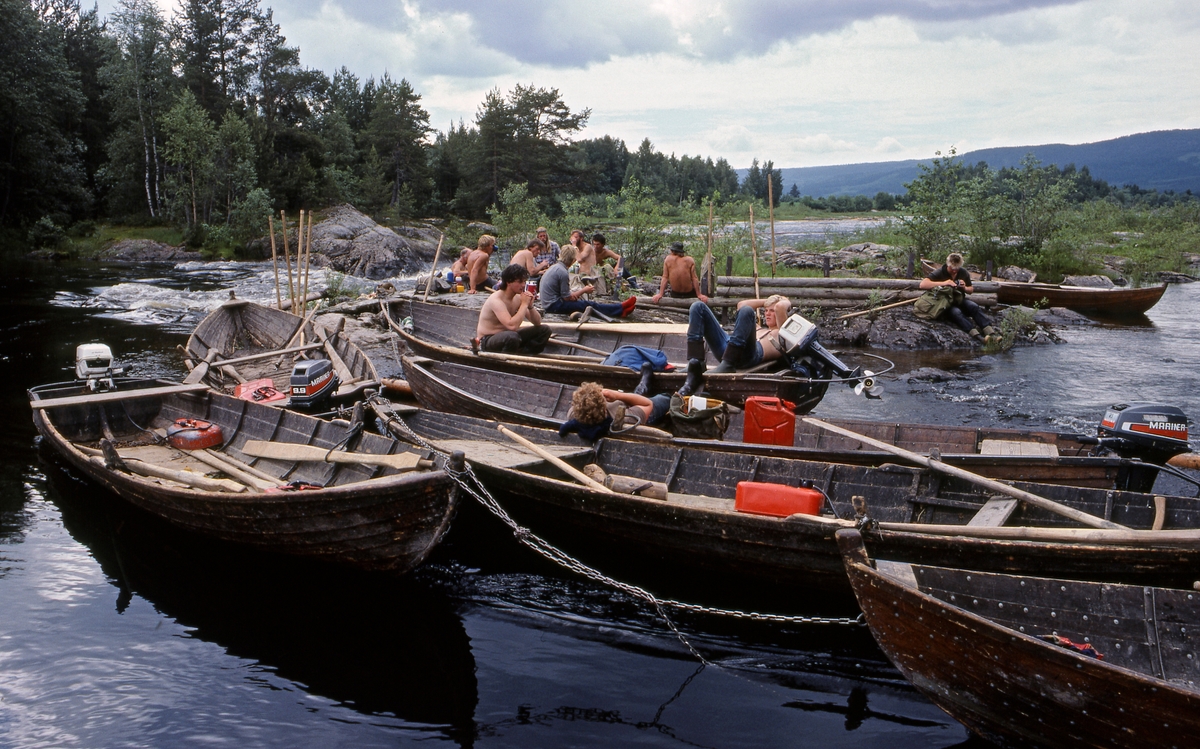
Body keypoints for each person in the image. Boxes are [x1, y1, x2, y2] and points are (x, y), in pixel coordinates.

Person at [686, 294, 790, 374]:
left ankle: (728, 365)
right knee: (698, 306)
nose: (767, 313)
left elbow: (780, 307)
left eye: (772, 311)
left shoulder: (781, 333)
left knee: (747, 311)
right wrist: (767, 301)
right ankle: (696, 362)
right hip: (727, 350)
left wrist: (784, 299)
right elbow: (741, 304)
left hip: (748, 356)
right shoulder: (758, 328)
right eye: (766, 310)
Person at [539, 245, 636, 318]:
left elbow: (565, 294)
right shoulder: (562, 272)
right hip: (554, 306)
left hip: (551, 303)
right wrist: (584, 290)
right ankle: (620, 310)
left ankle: (620, 308)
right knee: (588, 305)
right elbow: (567, 298)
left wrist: (574, 296)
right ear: (572, 260)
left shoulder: (555, 267)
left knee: (585, 303)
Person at [919, 253, 998, 342]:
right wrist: (945, 283)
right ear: (948, 265)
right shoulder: (940, 272)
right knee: (957, 313)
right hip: (945, 303)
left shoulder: (963, 272)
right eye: (952, 269)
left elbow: (970, 290)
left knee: (974, 306)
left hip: (959, 300)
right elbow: (923, 284)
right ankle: (978, 337)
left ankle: (991, 333)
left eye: (957, 269)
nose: (954, 271)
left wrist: (964, 287)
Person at [474, 264, 552, 354]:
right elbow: (512, 326)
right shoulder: (496, 300)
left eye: (524, 281)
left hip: (509, 336)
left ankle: (526, 354)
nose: (523, 285)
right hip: (488, 339)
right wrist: (524, 304)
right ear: (508, 282)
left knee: (545, 330)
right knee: (512, 337)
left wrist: (530, 306)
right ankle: (506, 362)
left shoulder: (518, 298)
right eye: (519, 282)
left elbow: (537, 322)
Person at [558, 382, 671, 442]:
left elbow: (583, 403)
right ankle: (676, 394)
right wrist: (617, 395)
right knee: (664, 398)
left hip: (626, 405)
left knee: (636, 394)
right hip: (637, 410)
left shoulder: (572, 415)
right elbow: (647, 404)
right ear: (603, 408)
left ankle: (641, 388)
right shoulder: (625, 419)